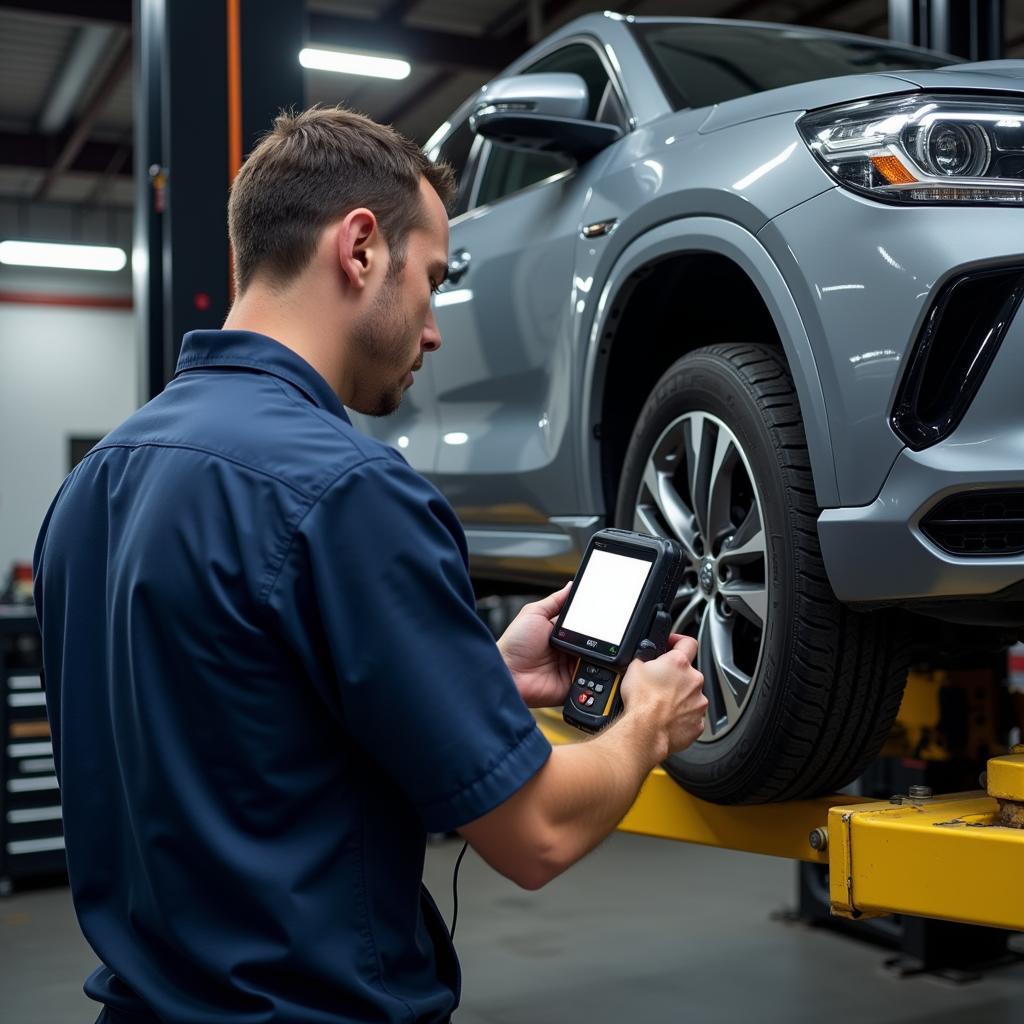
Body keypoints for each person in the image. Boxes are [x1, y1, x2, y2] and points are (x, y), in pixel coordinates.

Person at [33, 107, 708, 1024]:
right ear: (358, 248)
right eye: (432, 279)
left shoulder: (91, 487)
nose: (432, 331)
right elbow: (538, 833)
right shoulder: (349, 489)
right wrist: (649, 723)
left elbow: (243, 738)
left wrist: (485, 681)